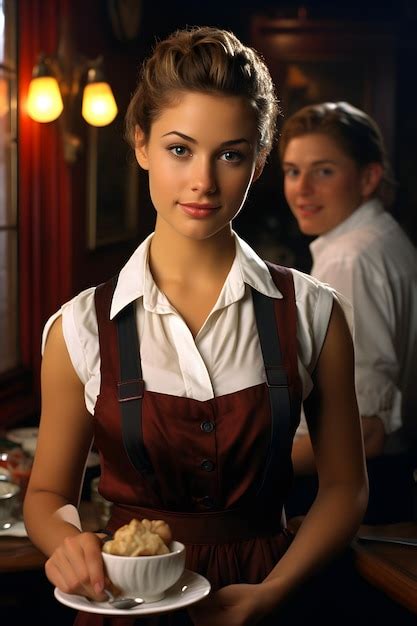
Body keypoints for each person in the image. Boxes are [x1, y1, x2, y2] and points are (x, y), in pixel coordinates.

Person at [24, 28, 368, 626]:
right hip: (126, 604)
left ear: (259, 161)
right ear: (141, 145)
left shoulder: (314, 312)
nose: (203, 182)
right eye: (180, 149)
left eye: (230, 154)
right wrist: (66, 544)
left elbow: (346, 489)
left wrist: (272, 591)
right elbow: (48, 498)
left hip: (270, 597)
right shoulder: (78, 328)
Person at [280, 101, 417, 522]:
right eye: (292, 171)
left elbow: (366, 432)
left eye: (323, 171)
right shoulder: (384, 237)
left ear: (368, 177)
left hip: (354, 493)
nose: (301, 189)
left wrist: (250, 475)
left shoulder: (350, 258)